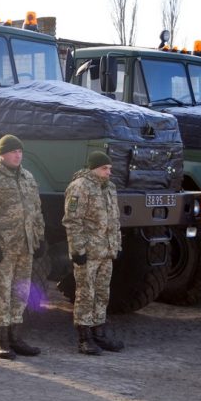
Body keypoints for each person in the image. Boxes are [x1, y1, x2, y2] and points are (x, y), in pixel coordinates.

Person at [0, 134, 46, 359]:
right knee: (1, 293)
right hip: (2, 247)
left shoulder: (28, 177)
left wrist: (39, 237)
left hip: (25, 246)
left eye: (20, 151)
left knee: (21, 292)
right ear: (2, 154)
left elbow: (36, 211)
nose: (18, 155)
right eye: (14, 151)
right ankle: (0, 340)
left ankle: (16, 337)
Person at [62, 151, 124, 355]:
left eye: (110, 169)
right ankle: (84, 337)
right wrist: (77, 250)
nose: (108, 172)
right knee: (85, 294)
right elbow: (72, 221)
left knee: (102, 293)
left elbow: (114, 221)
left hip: (106, 251)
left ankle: (99, 332)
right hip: (88, 252)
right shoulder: (80, 187)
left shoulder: (109, 188)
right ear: (94, 168)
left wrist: (116, 245)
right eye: (104, 168)